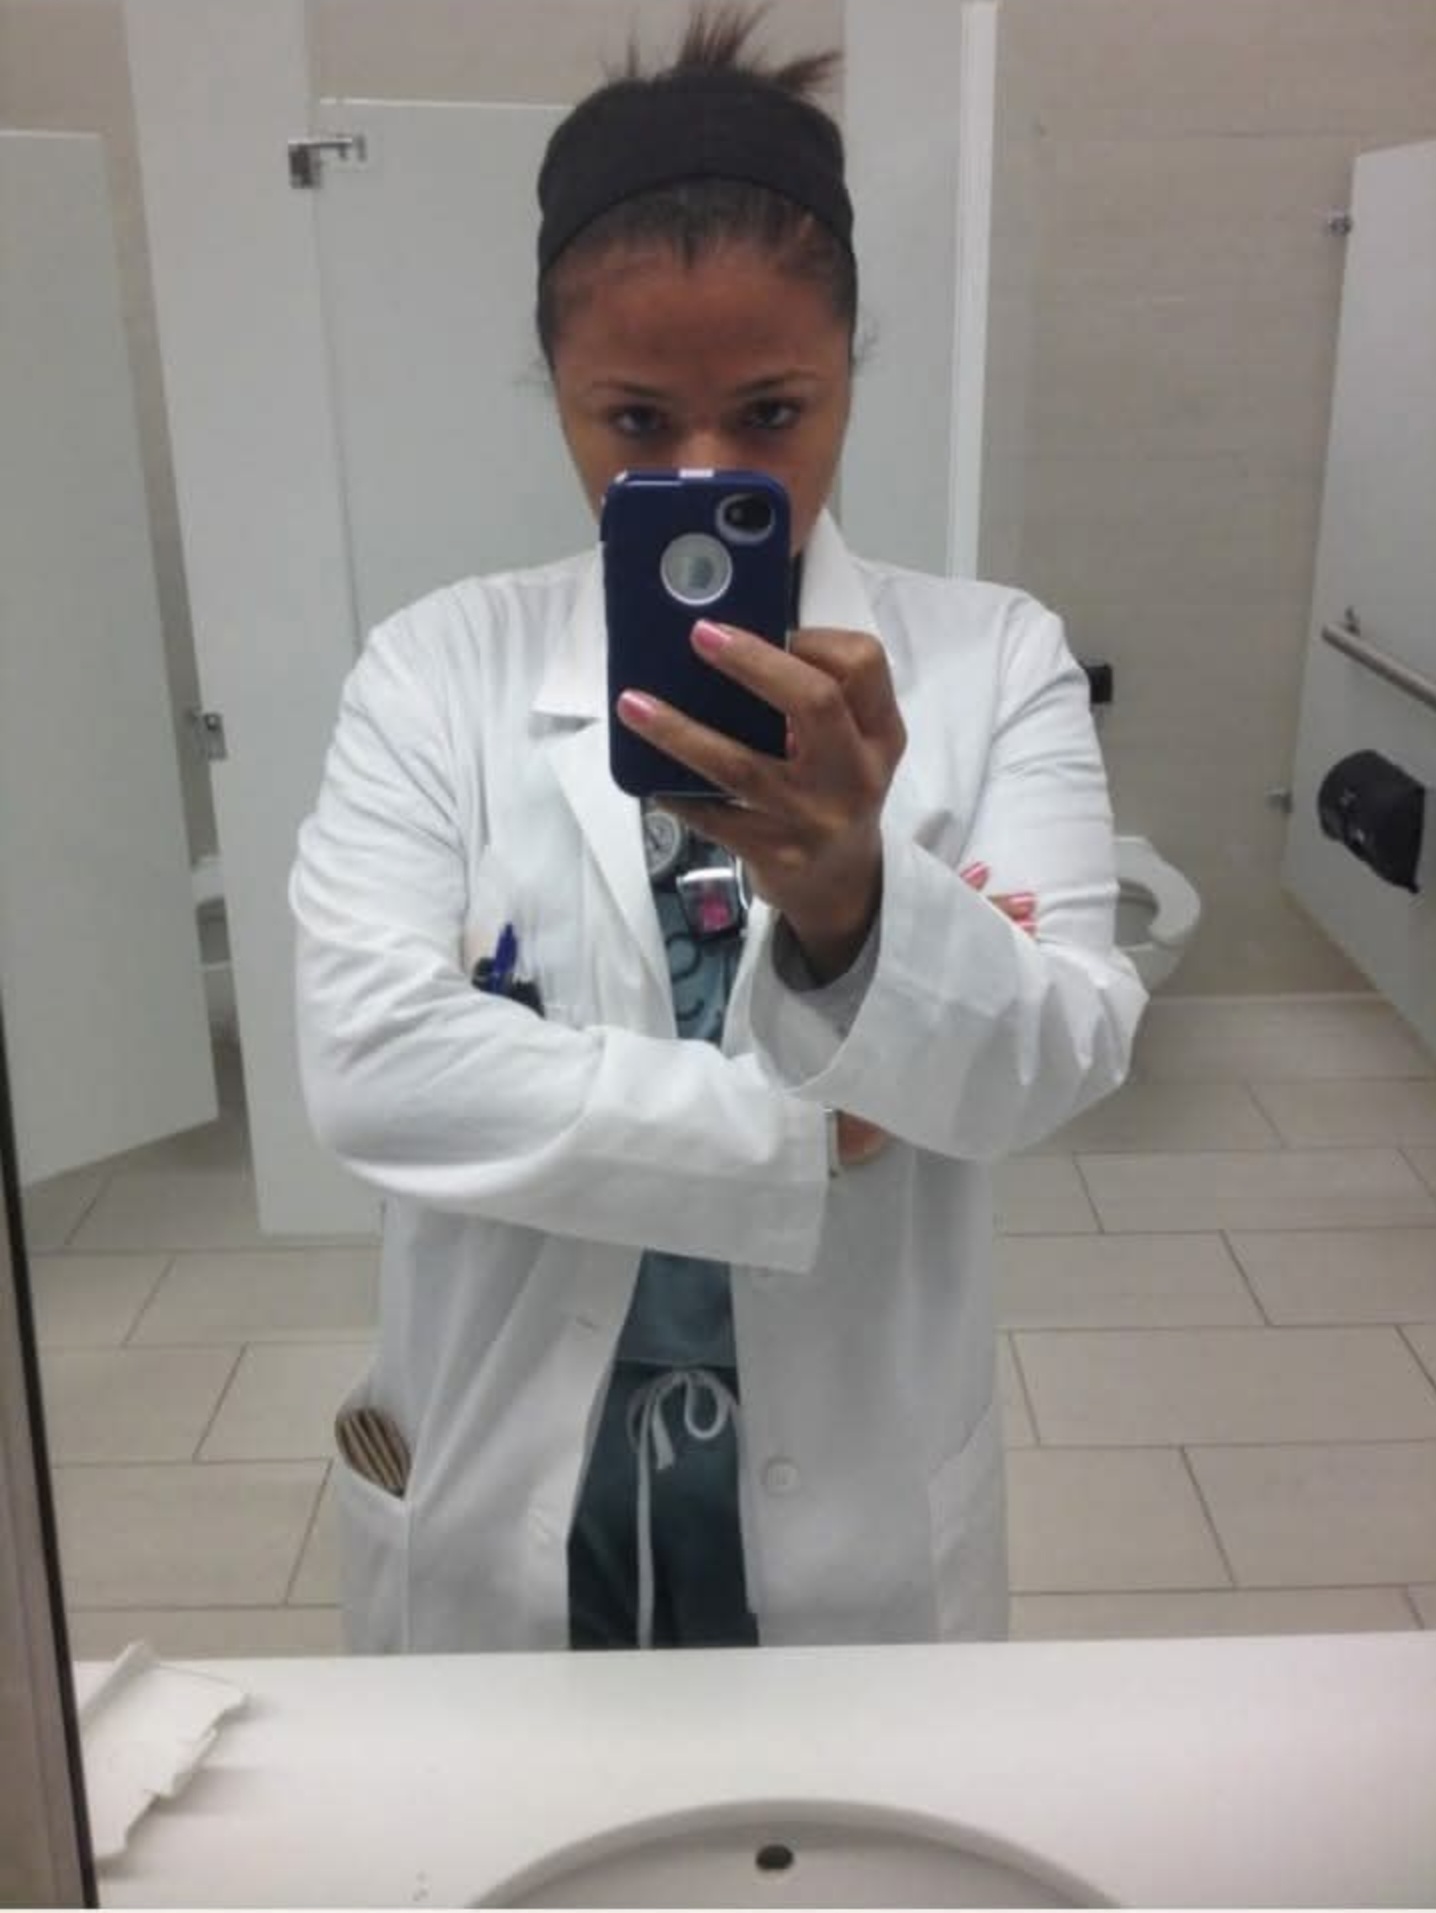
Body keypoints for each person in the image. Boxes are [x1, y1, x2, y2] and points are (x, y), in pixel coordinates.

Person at [290, 4, 1146, 1656]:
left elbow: (1059, 1052)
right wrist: (807, 1130)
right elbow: (368, 1064)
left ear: (848, 374)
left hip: (857, 1534)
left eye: (769, 413)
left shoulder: (995, 661)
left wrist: (854, 900)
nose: (703, 472)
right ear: (556, 389)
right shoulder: (435, 667)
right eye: (635, 423)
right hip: (499, 1505)